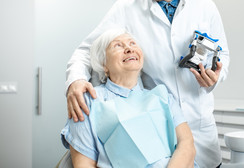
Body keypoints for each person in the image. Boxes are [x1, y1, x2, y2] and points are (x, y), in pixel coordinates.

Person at [65, 0, 230, 167]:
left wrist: (214, 77)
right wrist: (75, 81)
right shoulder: (125, 8)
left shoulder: (205, 7)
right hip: (156, 131)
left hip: (198, 127)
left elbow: (222, 54)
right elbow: (85, 50)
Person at [61, 29, 197, 167]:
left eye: (132, 43)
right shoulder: (88, 101)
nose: (129, 49)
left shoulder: (163, 97)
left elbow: (187, 145)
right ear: (104, 65)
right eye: (117, 45)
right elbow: (84, 165)